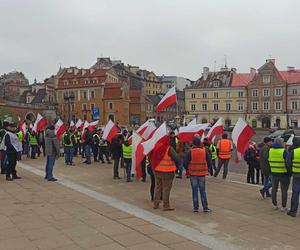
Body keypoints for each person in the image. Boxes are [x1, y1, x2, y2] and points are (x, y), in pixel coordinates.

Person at [185, 138, 212, 213]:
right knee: (202, 191)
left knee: (194, 191)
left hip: (193, 173)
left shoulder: (190, 152)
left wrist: (188, 168)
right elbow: (209, 162)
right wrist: (207, 169)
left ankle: (195, 208)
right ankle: (205, 207)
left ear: (193, 144)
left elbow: (185, 162)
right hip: (202, 174)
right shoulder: (204, 151)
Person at [153, 144, 179, 211]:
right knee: (166, 189)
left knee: (158, 187)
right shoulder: (168, 148)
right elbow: (176, 158)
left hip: (157, 170)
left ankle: (156, 204)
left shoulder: (156, 146)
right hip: (167, 171)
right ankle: (166, 205)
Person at [268, 137, 290, 211]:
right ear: (281, 143)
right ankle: (283, 207)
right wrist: (289, 172)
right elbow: (288, 163)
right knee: (284, 190)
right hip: (284, 174)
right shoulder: (284, 151)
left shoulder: (270, 150)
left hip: (273, 173)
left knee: (274, 189)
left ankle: (274, 204)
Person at [286, 137, 300, 217]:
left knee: (295, 193)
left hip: (296, 175)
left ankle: (293, 211)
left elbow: (288, 163)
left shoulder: (294, 151)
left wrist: (291, 170)